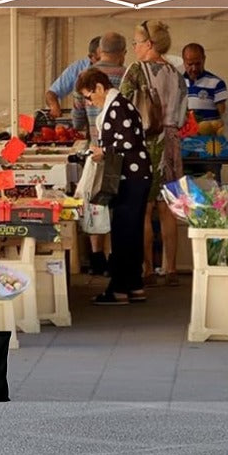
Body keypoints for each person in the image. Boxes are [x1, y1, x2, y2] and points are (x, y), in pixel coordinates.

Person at [76, 67, 152, 305]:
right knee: (130, 231)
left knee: (123, 232)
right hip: (134, 174)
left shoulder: (117, 107)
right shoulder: (120, 105)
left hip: (131, 176)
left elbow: (128, 140)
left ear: (99, 87)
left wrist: (104, 151)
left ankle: (119, 288)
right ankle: (134, 285)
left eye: (89, 96)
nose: (89, 102)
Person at [120, 21, 187, 286]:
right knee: (168, 207)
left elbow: (124, 106)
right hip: (171, 142)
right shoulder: (176, 72)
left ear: (149, 44)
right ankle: (170, 268)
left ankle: (147, 268)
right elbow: (183, 113)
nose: (134, 47)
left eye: (136, 42)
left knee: (144, 208)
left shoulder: (136, 70)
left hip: (145, 143)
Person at [73, 32, 127, 278]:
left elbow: (76, 120)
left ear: (99, 51)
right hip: (120, 153)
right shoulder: (125, 76)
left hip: (95, 149)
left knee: (97, 202)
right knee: (118, 206)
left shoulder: (83, 77)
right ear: (123, 52)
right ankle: (117, 257)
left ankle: (97, 258)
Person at [45, 36, 101, 117]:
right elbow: (51, 93)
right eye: (99, 59)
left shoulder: (117, 71)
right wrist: (54, 107)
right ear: (91, 57)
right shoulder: (78, 68)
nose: (104, 63)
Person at [180, 43, 227, 122]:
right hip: (184, 133)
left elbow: (224, 116)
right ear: (184, 62)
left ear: (204, 59)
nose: (194, 68)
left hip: (210, 133)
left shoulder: (217, 83)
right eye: (190, 64)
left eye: (198, 64)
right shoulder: (178, 83)